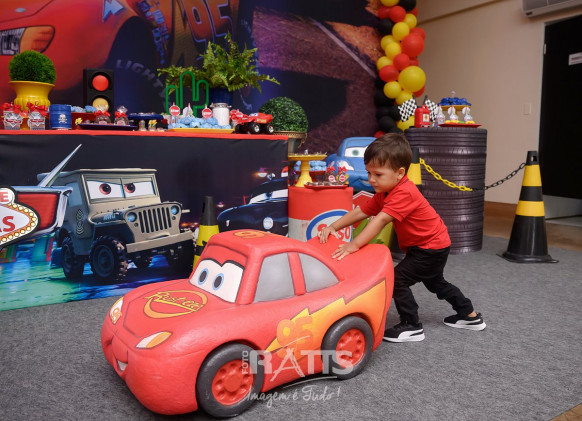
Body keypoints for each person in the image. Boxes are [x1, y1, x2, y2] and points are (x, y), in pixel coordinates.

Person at [318, 133, 486, 342]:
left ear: (400, 173)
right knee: (436, 283)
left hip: (430, 248)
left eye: (378, 174)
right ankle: (469, 315)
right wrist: (333, 226)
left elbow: (380, 220)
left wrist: (353, 245)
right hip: (429, 245)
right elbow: (361, 212)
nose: (371, 179)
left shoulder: (404, 192)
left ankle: (411, 325)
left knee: (396, 279)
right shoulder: (386, 192)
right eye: (369, 172)